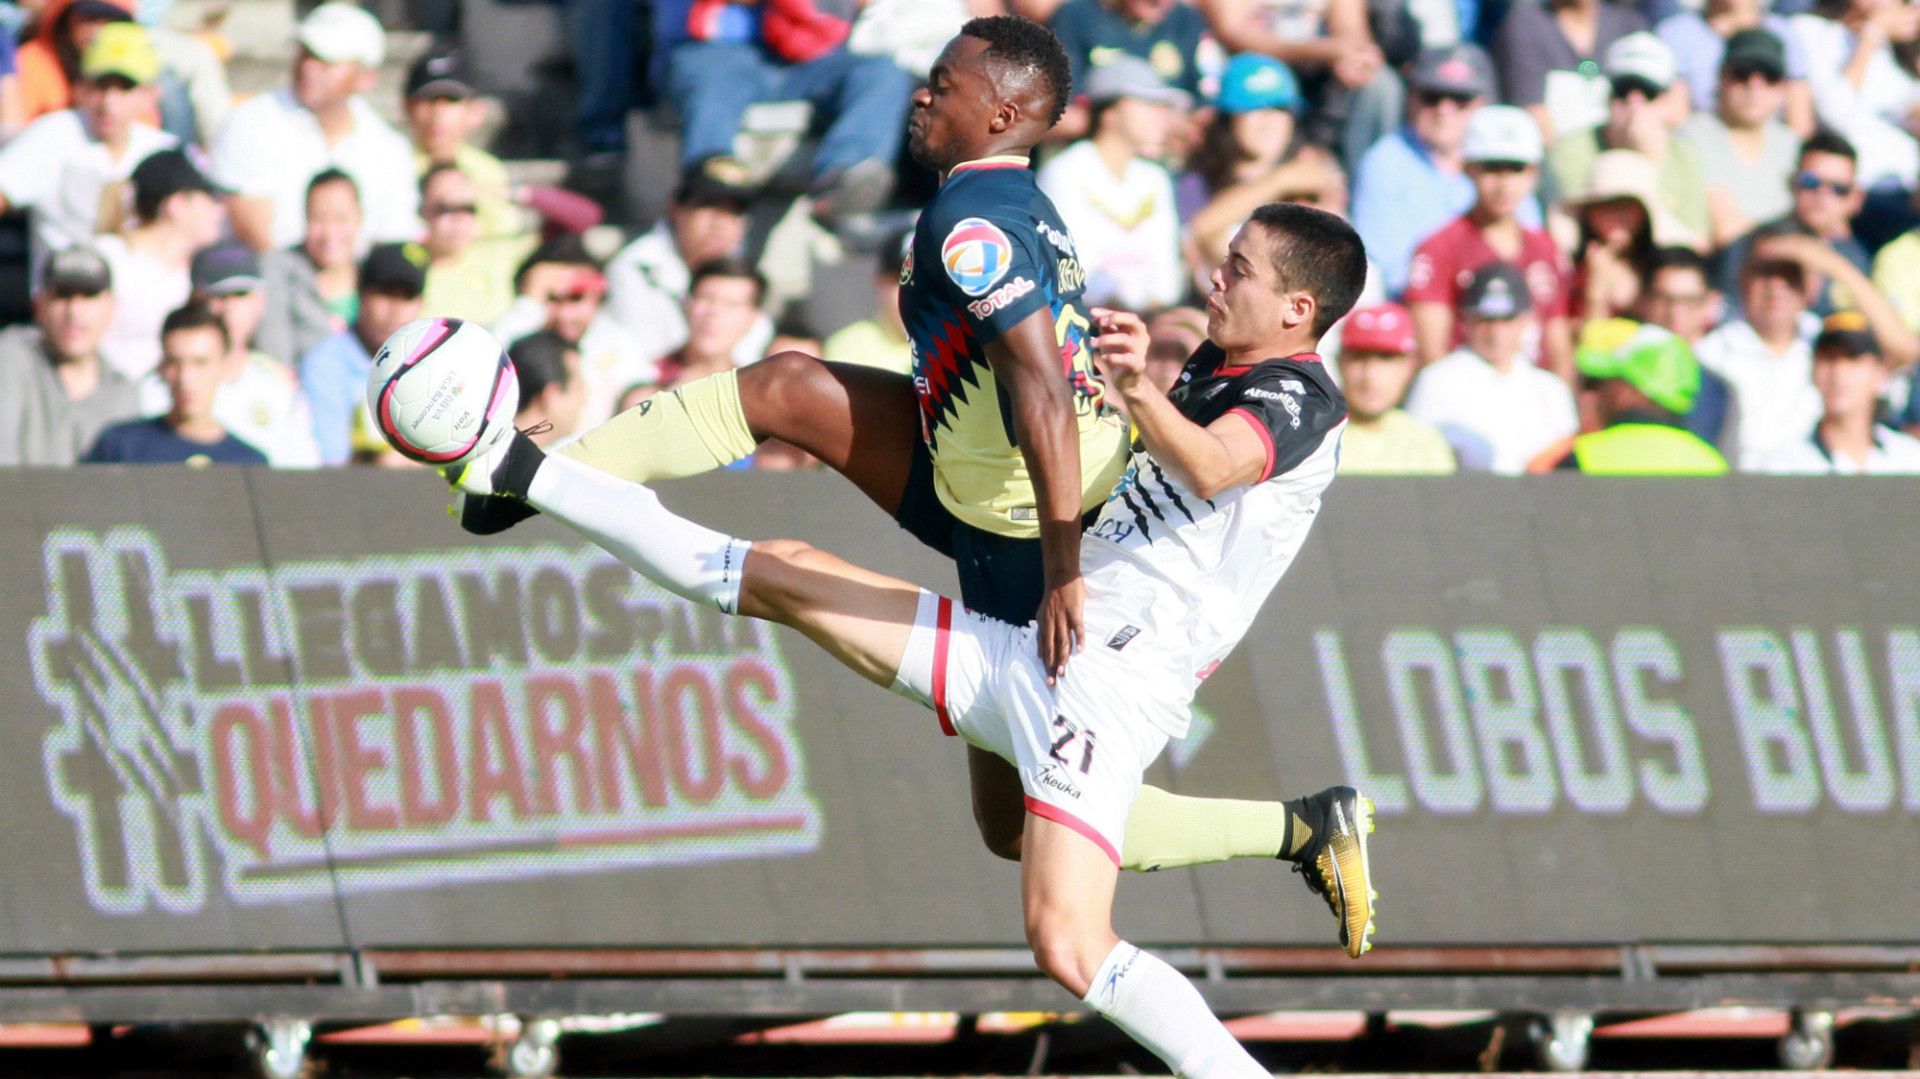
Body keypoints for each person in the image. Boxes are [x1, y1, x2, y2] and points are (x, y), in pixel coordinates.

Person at [441, 203, 1377, 1075]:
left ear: (1299, 308)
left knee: (1068, 942)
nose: (1217, 278)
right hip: (1041, 644)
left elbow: (1214, 464)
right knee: (782, 573)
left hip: (1104, 685)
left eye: (1239, 269)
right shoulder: (1219, 361)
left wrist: (1131, 390)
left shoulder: (1302, 399)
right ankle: (525, 470)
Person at [462, 17, 1355, 888]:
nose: (923, 92)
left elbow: (1041, 390)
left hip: (1026, 529)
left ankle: (1298, 827)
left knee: (1012, 827)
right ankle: (536, 478)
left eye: (946, 82)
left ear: (1001, 116)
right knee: (788, 387)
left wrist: (1062, 567)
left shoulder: (977, 226)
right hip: (971, 482)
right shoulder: (1009, 203)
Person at [659, 0, 917, 222]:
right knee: (709, 86)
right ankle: (711, 197)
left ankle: (844, 178)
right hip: (720, 51)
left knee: (882, 72)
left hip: (809, 59)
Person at [209, 2, 417, 251]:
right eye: (305, 54)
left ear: (366, 77)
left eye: (326, 61)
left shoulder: (390, 148)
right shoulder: (250, 122)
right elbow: (252, 231)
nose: (309, 68)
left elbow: (391, 241)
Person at [1351, 45, 1542, 297]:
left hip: (1502, 302)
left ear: (1483, 103)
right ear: (1411, 98)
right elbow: (1389, 267)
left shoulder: (1506, 157)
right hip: (1416, 303)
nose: (1444, 109)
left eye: (1460, 99)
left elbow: (1529, 244)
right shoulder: (1384, 160)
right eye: (1432, 97)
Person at [1404, 104, 1571, 377]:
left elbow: (1558, 346)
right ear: (1469, 170)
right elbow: (1432, 355)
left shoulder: (1546, 249)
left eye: (1516, 169)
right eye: (1492, 169)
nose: (1504, 184)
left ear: (1534, 174)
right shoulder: (1437, 248)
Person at [0, 21, 172, 278]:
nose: (109, 103)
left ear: (151, 94)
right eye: (100, 86)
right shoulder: (52, 134)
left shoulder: (163, 151)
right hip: (65, 291)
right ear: (80, 88)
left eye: (125, 87)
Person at [1035, 55, 1186, 311]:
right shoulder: (1064, 172)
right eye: (1149, 104)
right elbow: (1068, 272)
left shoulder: (1155, 178)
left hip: (1153, 319)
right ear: (1109, 113)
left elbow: (1166, 275)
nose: (1162, 116)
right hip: (1082, 320)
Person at [1179, 55, 1347, 280]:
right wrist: (1281, 180)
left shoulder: (1312, 173)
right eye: (1253, 107)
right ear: (1229, 119)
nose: (1268, 120)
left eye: (1279, 108)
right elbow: (1197, 229)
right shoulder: (1197, 182)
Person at [1404, 262, 1579, 472]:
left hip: (1539, 500)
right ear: (1466, 320)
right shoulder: (1437, 380)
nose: (1496, 332)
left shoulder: (1550, 388)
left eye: (1506, 319)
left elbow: (1566, 461)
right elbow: (1418, 460)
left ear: (1527, 320)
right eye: (1485, 320)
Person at [1539, 33, 1708, 242]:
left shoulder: (1685, 155)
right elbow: (1571, 235)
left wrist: (1648, 159)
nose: (1634, 105)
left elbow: (1694, 242)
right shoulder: (1570, 150)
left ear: (1666, 102)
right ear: (1608, 97)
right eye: (1623, 91)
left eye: (1648, 93)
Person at [602, 159, 772, 367]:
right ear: (676, 208)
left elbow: (752, 352)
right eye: (707, 206)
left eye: (733, 211)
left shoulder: (744, 276)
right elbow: (642, 360)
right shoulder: (635, 267)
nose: (719, 223)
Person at [1195, 0, 1403, 168]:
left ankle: (1358, 187)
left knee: (1380, 85)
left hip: (1318, 80)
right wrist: (1322, 52)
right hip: (1248, 69)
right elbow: (1233, 33)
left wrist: (1352, 58)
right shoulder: (1320, 51)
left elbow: (1350, 28)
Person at [496, 235, 657, 429]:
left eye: (575, 298)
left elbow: (646, 399)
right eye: (550, 298)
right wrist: (528, 306)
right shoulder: (518, 330)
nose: (564, 314)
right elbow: (487, 367)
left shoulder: (617, 343)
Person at [92, 148, 226, 381]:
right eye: (211, 199)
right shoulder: (110, 257)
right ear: (177, 205)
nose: (220, 210)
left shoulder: (191, 275)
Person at [186, 243, 323, 469]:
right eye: (218, 295)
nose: (229, 308)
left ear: (260, 301)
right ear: (194, 300)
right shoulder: (164, 381)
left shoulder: (279, 386)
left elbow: (302, 470)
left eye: (240, 294)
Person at [0, 245, 140, 465]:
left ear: (111, 307)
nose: (75, 311)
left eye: (89, 297)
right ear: (39, 305)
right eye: (62, 296)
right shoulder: (11, 359)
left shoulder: (123, 393)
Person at [1529, 319, 1729, 473]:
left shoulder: (1581, 458)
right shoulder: (1714, 466)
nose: (1593, 395)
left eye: (1602, 382)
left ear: (1632, 391)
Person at [84, 303, 267, 466]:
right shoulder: (120, 447)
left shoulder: (249, 463)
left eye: (200, 363)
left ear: (224, 366)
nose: (185, 377)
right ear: (161, 366)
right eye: (174, 362)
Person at [1713, 130, 1870, 317]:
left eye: (1838, 189)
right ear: (1792, 183)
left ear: (1856, 199)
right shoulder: (1750, 246)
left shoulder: (1855, 258)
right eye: (1810, 182)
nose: (1822, 195)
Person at [301, 243, 428, 466]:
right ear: (360, 293)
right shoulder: (326, 363)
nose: (396, 309)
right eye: (386, 293)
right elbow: (331, 463)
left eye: (407, 297)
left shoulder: (433, 362)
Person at [1752, 310, 1920, 472]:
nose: (1838, 373)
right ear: (1813, 371)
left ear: (1879, 374)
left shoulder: (1908, 459)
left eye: (1853, 359)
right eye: (1829, 359)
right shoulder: (1785, 465)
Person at [1679, 28, 1801, 249]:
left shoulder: (1792, 145)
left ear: (1783, 88)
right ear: (1721, 78)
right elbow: (1724, 229)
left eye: (1769, 77)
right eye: (1742, 74)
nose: (1754, 86)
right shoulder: (1693, 136)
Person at [1788, 0, 1920, 192]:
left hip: (1906, 182)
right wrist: (1872, 34)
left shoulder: (1894, 54)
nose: (1912, 11)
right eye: (1904, 3)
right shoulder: (1811, 30)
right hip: (1853, 186)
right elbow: (1836, 112)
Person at [1046, 0, 1210, 142]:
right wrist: (1130, 124)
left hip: (1166, 158)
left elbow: (1203, 107)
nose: (1161, 2)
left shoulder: (1186, 21)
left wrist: (1183, 126)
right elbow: (1052, 117)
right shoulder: (1076, 18)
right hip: (1092, 153)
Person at [1492, 0, 1646, 143]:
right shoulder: (1525, 27)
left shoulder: (1628, 25)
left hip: (1620, 153)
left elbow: (1660, 101)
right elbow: (1533, 112)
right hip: (1556, 158)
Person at [1333, 302, 1456, 474]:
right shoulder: (1311, 440)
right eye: (1359, 358)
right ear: (1340, 364)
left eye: (1386, 359)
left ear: (1409, 367)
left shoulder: (1425, 443)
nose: (1370, 375)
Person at [256, 169, 363, 366]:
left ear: (359, 217)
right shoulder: (280, 273)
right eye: (318, 219)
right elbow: (274, 355)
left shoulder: (375, 275)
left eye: (341, 218)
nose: (330, 233)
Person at [1656, 0, 1814, 133]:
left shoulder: (1785, 33)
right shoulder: (1676, 33)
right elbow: (1677, 121)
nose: (1753, 85)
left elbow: (1799, 123)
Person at [418, 164, 534, 326]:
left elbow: (580, 220)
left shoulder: (497, 252)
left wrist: (500, 192)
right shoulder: (407, 265)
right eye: (444, 208)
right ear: (422, 211)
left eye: (467, 208)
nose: (457, 219)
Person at [650, 258, 769, 390]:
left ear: (753, 318)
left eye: (731, 304)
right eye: (706, 299)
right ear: (687, 305)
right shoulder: (645, 375)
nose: (714, 312)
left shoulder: (754, 392)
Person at [821, 230, 914, 375]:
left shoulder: (959, 343)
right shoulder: (847, 347)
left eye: (926, 282)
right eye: (901, 280)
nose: (912, 295)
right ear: (878, 282)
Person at [507, 329, 589, 447]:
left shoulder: (486, 444)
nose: (584, 396)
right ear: (551, 395)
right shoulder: (504, 460)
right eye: (578, 385)